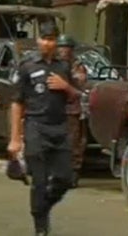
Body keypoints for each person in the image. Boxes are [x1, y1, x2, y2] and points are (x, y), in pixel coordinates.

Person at [7, 21, 81, 236]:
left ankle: (43, 206)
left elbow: (77, 95)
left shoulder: (63, 66)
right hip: (36, 127)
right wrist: (15, 138)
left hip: (59, 127)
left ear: (57, 42)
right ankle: (41, 227)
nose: (48, 43)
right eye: (45, 39)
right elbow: (16, 102)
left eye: (52, 40)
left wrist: (65, 86)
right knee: (39, 181)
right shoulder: (27, 65)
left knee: (65, 179)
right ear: (38, 40)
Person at [56, 35, 88, 188]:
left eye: (66, 47)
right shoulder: (54, 64)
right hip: (54, 109)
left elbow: (78, 83)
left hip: (72, 109)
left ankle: (73, 173)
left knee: (74, 143)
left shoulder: (76, 66)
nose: (63, 51)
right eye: (61, 47)